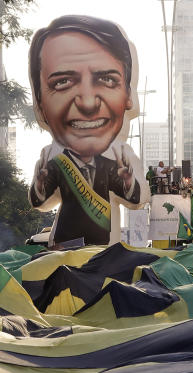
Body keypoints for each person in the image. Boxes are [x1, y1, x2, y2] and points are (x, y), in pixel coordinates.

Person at [28, 15, 144, 246]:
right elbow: (39, 199)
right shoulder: (55, 163)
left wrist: (130, 180)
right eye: (62, 82)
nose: (88, 103)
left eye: (107, 79)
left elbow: (135, 197)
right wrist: (40, 185)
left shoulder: (114, 165)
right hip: (65, 245)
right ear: (40, 104)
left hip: (102, 245)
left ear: (129, 96)